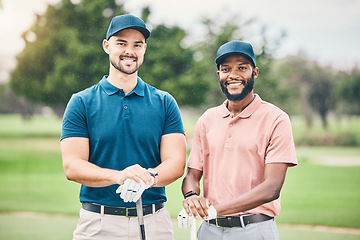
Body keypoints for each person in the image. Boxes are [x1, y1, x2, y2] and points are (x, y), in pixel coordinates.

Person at [61, 14, 186, 240]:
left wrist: (148, 177)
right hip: (98, 224)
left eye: (137, 45)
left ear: (144, 49)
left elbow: (176, 162)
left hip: (154, 224)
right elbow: (72, 166)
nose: (130, 50)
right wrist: (120, 176)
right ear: (107, 46)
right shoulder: (81, 102)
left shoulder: (165, 101)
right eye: (121, 43)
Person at [178, 40, 297, 240]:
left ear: (255, 72)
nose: (233, 75)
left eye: (242, 68)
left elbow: (272, 187)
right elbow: (192, 175)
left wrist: (216, 209)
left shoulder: (276, 119)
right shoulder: (207, 119)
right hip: (210, 230)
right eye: (226, 69)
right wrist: (191, 198)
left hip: (254, 229)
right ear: (219, 75)